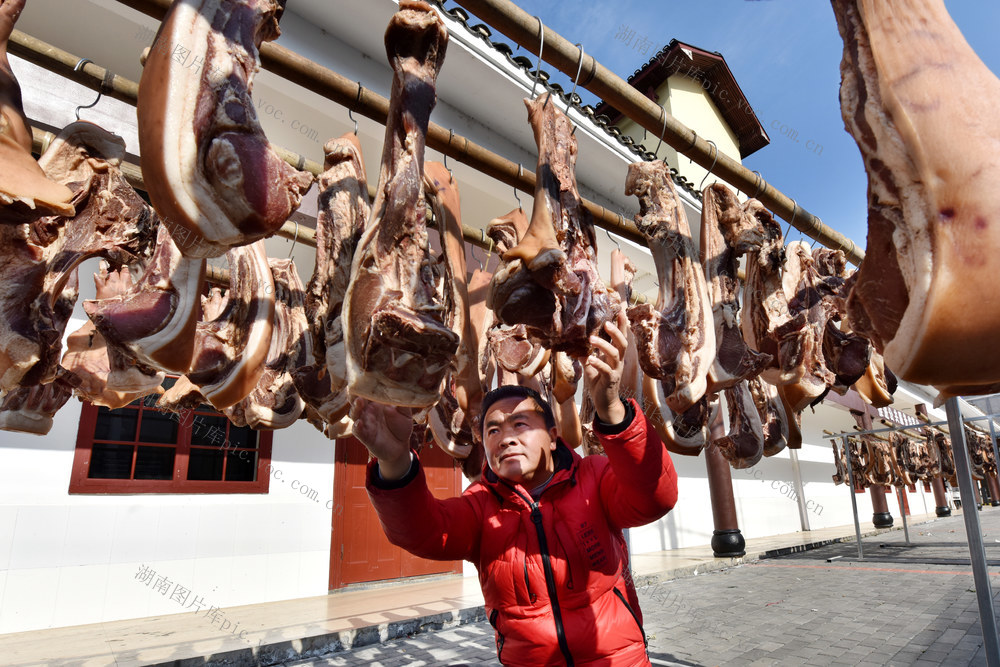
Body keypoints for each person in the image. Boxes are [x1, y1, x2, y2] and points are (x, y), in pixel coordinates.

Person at [351, 311, 678, 666]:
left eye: (519, 423)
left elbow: (654, 497)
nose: (505, 438)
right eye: (493, 430)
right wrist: (394, 461)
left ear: (553, 438)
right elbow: (421, 533)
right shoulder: (480, 507)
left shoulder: (594, 477)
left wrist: (613, 410)